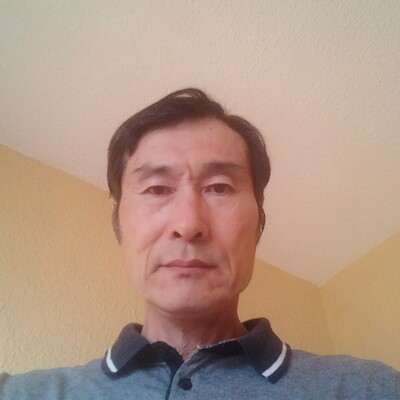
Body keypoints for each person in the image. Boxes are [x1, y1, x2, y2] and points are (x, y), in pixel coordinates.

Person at [0, 88, 398, 399]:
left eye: (219, 187)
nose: (188, 224)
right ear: (118, 220)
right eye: (157, 188)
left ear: (259, 222)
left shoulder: (371, 389)